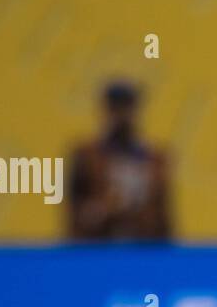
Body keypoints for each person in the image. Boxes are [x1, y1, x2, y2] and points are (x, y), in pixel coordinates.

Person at [67, 81, 172, 242]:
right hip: (99, 247)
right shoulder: (87, 156)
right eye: (115, 109)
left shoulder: (154, 160)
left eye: (126, 108)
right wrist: (104, 209)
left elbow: (164, 217)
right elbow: (74, 213)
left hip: (143, 249)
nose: (122, 116)